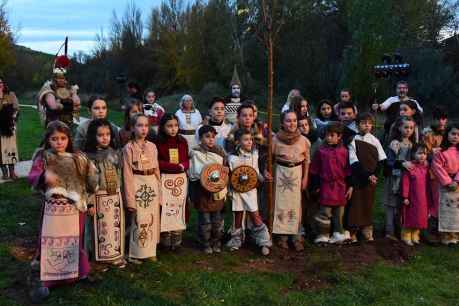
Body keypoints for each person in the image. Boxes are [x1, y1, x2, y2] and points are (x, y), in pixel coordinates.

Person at [28, 121, 98, 300]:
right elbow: (33, 176)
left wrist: (89, 199)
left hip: (75, 210)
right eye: (54, 139)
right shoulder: (44, 157)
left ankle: (78, 273)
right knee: (51, 242)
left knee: (75, 240)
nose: (59, 142)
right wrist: (44, 175)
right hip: (54, 209)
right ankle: (48, 279)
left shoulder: (78, 158)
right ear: (48, 139)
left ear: (69, 139)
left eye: (63, 138)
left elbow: (90, 180)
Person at [84, 119, 126, 268]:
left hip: (114, 196)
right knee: (99, 231)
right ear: (92, 136)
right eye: (100, 135)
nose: (105, 138)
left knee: (114, 228)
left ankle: (115, 256)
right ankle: (97, 260)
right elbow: (87, 182)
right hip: (97, 198)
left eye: (108, 134)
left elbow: (120, 175)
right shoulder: (89, 157)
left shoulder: (115, 154)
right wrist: (89, 202)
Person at [226, 129, 272, 255]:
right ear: (237, 142)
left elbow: (256, 172)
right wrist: (230, 187)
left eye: (251, 139)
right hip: (237, 190)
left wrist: (263, 178)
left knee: (255, 216)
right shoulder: (232, 158)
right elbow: (230, 175)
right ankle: (236, 240)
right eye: (246, 140)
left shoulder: (255, 154)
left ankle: (264, 241)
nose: (249, 142)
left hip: (250, 190)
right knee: (238, 216)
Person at [122, 114, 161, 263]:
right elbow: (126, 174)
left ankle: (150, 251)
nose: (143, 129)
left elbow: (157, 169)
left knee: (152, 218)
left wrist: (160, 192)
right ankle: (136, 252)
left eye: (146, 125)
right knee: (138, 217)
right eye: (139, 125)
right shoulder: (128, 148)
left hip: (151, 183)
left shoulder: (152, 146)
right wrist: (130, 200)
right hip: (137, 182)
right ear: (132, 128)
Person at [271, 110, 310, 251]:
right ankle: (282, 237)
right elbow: (269, 159)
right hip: (281, 173)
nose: (292, 123)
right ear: (282, 123)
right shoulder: (275, 140)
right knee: (281, 205)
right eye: (288, 120)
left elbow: (307, 161)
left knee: (296, 205)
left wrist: (305, 177)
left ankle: (296, 237)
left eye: (294, 120)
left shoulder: (304, 140)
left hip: (297, 173)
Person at [346, 113, 386, 242]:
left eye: (369, 123)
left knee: (368, 203)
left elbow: (381, 159)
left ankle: (366, 229)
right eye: (363, 123)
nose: (367, 125)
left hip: (371, 179)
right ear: (357, 125)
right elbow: (353, 160)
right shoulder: (353, 139)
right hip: (358, 177)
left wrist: (374, 175)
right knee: (355, 203)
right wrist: (366, 175)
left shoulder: (375, 140)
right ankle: (352, 230)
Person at [310, 122, 353, 244]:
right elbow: (315, 170)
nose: (328, 137)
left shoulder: (344, 152)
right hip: (326, 186)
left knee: (339, 212)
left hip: (340, 186)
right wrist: (316, 185)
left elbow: (348, 170)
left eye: (332, 135)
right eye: (327, 135)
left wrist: (350, 186)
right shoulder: (321, 152)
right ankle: (323, 234)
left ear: (339, 137)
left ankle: (338, 233)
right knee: (325, 211)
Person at [189, 125, 227, 254]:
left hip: (217, 192)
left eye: (213, 137)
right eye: (207, 137)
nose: (211, 139)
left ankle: (216, 241)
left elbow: (224, 171)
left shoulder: (220, 152)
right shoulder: (195, 152)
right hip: (202, 193)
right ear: (200, 138)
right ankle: (205, 242)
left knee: (217, 220)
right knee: (205, 221)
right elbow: (194, 174)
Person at [154, 114, 189, 251]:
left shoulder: (182, 141)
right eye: (169, 126)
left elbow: (186, 159)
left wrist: (183, 166)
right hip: (165, 179)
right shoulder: (158, 142)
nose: (173, 129)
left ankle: (177, 239)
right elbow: (157, 162)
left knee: (179, 207)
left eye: (175, 125)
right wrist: (175, 167)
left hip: (179, 180)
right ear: (163, 127)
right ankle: (165, 239)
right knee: (165, 208)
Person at [383, 116, 417, 240]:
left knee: (401, 203)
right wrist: (402, 163)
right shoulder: (395, 143)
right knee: (391, 204)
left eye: (411, 128)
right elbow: (389, 161)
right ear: (399, 127)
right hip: (394, 177)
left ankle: (400, 230)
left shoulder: (412, 144)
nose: (409, 130)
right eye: (406, 127)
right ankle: (389, 230)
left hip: (406, 179)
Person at [422, 107, 447, 243]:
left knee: (441, 200)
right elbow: (424, 152)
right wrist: (433, 152)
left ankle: (441, 228)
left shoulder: (448, 132)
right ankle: (429, 229)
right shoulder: (427, 132)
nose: (441, 121)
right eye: (438, 119)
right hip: (432, 172)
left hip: (446, 172)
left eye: (443, 118)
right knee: (432, 200)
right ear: (434, 119)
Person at [431, 124, 459, 245]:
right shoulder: (440, 151)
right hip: (444, 185)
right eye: (453, 134)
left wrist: (456, 181)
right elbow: (436, 167)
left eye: (458, 135)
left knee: (456, 212)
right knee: (444, 210)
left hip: (457, 185)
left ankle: (455, 235)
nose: (456, 137)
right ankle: (444, 236)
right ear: (447, 134)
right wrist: (448, 181)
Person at [37, 56, 80, 127]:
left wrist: (73, 94)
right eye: (59, 78)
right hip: (53, 124)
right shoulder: (48, 87)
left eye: (63, 78)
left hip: (68, 124)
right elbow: (53, 106)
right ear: (55, 78)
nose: (61, 80)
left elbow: (77, 103)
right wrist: (63, 105)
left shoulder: (70, 88)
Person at [400, 144, 431, 246]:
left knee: (420, 216)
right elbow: (405, 183)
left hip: (422, 197)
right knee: (410, 216)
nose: (422, 156)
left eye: (425, 154)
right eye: (420, 153)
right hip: (412, 197)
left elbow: (428, 184)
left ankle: (415, 235)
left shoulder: (426, 168)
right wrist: (405, 196)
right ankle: (406, 235)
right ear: (413, 154)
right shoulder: (410, 167)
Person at [0, 78, 19, 180]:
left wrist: (13, 117)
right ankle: (5, 173)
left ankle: (12, 173)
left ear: (3, 84)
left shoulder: (10, 94)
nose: (0, 85)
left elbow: (16, 108)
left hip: (9, 126)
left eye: (1, 82)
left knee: (10, 149)